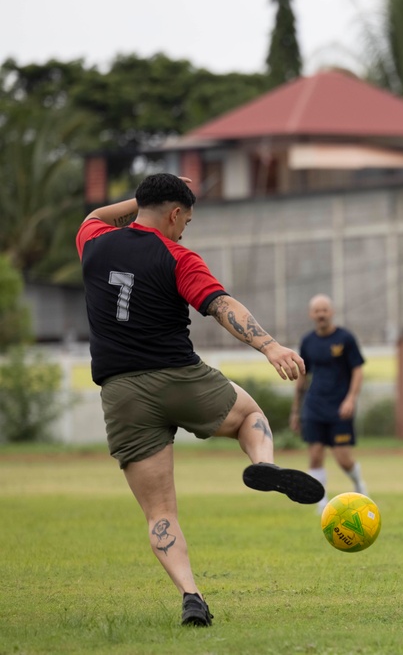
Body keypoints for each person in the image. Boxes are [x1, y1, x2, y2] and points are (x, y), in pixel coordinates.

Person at [76, 173, 324, 627]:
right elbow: (221, 304)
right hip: (179, 378)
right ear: (174, 214)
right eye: (184, 220)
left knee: (161, 512)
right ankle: (263, 463)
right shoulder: (177, 256)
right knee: (250, 412)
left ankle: (191, 595)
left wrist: (145, 195)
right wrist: (270, 346)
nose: (183, 229)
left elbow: (95, 215)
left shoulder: (94, 242)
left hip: (121, 393)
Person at [291, 294, 368, 511]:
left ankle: (359, 483)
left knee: (343, 458)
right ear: (311, 314)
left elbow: (358, 369)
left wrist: (351, 399)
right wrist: (296, 411)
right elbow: (302, 377)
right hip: (314, 406)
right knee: (315, 454)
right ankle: (320, 502)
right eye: (317, 311)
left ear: (331, 312)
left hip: (339, 406)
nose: (321, 314)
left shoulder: (345, 338)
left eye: (324, 310)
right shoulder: (307, 342)